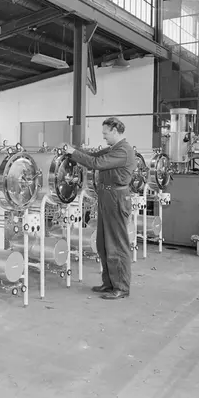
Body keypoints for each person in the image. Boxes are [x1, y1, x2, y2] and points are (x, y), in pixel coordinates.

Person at [65, 117, 137, 300]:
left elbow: (97, 163)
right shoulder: (114, 149)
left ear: (115, 131)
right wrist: (72, 151)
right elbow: (94, 155)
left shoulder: (123, 151)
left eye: (106, 133)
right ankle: (109, 283)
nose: (104, 136)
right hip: (107, 197)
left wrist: (74, 152)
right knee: (103, 243)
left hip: (117, 198)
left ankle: (121, 287)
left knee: (116, 244)